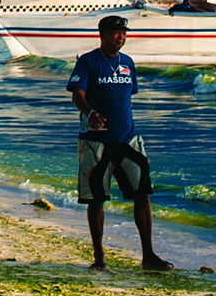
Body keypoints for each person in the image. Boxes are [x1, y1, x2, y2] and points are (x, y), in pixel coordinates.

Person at [69, 15, 171, 271]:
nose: (121, 37)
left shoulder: (128, 63)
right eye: (116, 32)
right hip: (96, 142)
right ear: (102, 34)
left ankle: (148, 255)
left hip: (128, 140)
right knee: (96, 199)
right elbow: (77, 95)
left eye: (124, 33)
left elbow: (126, 98)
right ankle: (99, 257)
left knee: (143, 194)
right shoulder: (87, 61)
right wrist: (90, 113)